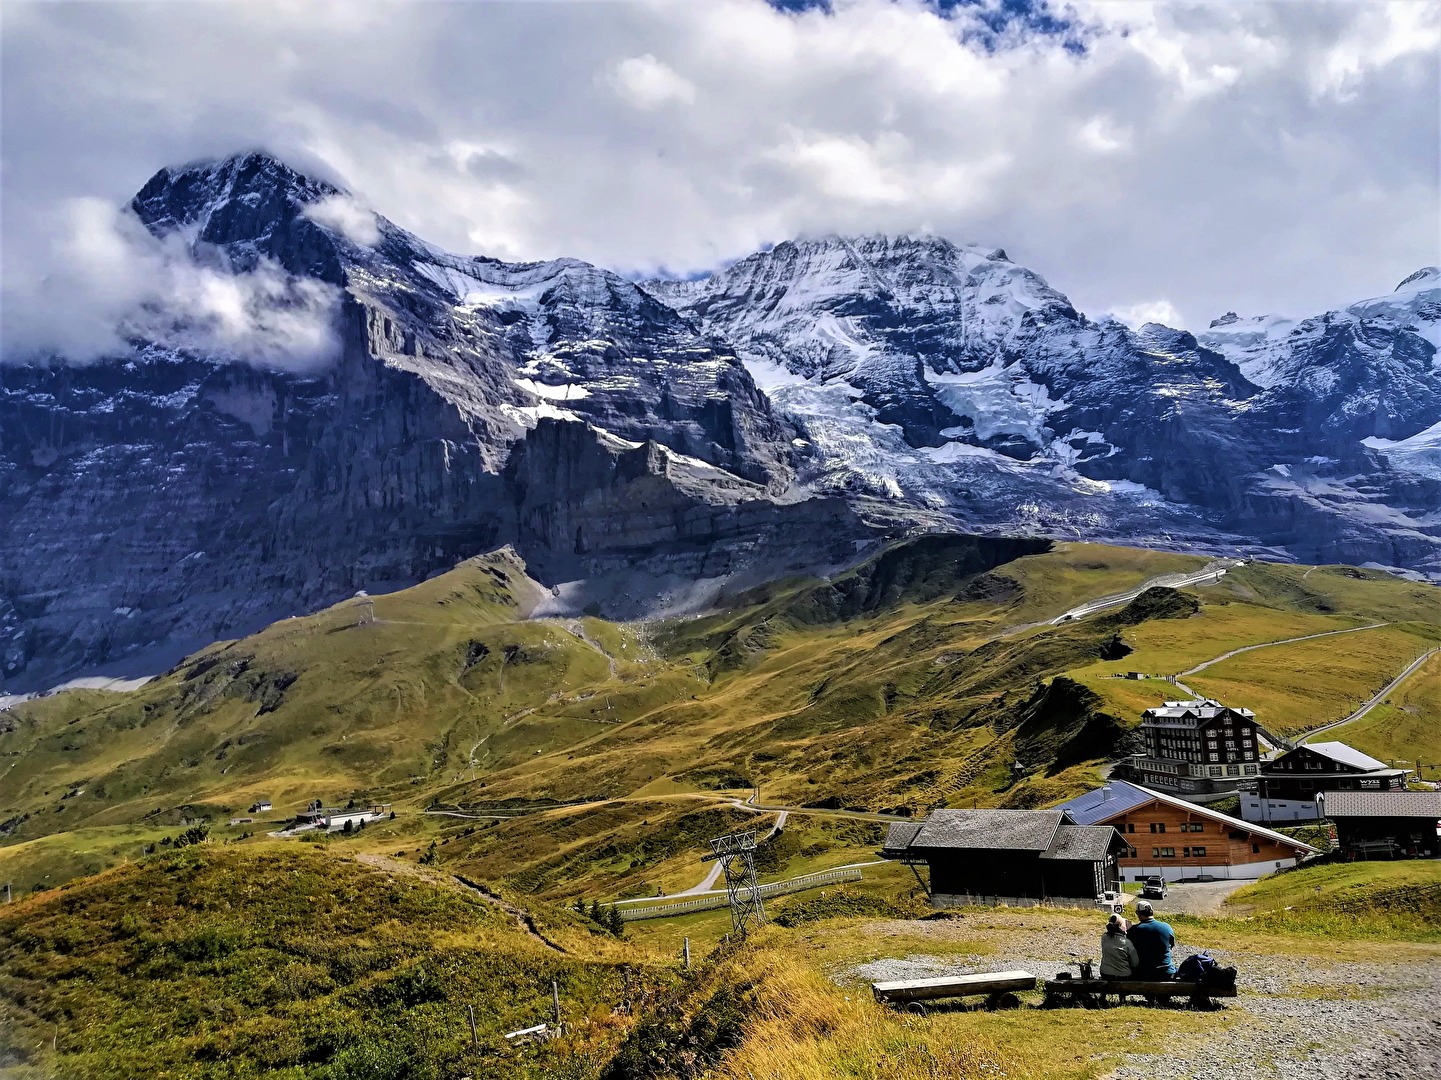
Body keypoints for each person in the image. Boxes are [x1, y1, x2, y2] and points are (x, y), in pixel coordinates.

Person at [1127, 899, 1177, 980]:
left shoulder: (1133, 931)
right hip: (1166, 972)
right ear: (1152, 912)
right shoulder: (1167, 927)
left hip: (1145, 973)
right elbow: (1171, 947)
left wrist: (1127, 930)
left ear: (1138, 914)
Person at [1100, 913, 1139, 979]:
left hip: (1105, 973)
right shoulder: (1127, 943)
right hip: (1123, 975)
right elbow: (1135, 963)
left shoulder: (1104, 937)